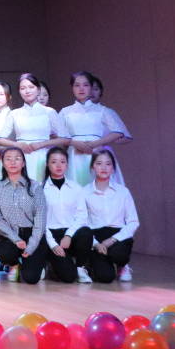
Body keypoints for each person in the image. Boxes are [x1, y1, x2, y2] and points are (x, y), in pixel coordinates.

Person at [59, 72, 131, 187]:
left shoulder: (102, 110)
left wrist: (95, 144)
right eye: (77, 85)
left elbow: (118, 132)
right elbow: (56, 134)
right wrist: (74, 143)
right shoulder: (65, 111)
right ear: (72, 88)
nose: (81, 89)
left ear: (91, 87)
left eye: (85, 85)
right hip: (75, 154)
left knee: (99, 187)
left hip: (97, 153)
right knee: (76, 187)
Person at [0, 146, 49, 283]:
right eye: (8, 159)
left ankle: (38, 263)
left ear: (23, 163)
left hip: (32, 234)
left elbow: (40, 219)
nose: (13, 162)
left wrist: (31, 245)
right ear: (3, 163)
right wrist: (16, 239)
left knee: (31, 278)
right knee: (5, 253)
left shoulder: (35, 187)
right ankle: (14, 264)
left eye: (17, 158)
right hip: (10, 234)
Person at [0, 74, 71, 183]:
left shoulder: (49, 112)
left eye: (31, 87)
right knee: (22, 187)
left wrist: (42, 144)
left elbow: (66, 139)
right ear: (19, 91)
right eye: (23, 88)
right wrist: (17, 145)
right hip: (21, 157)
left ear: (38, 89)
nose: (27, 91)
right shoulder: (14, 113)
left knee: (42, 187)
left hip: (43, 156)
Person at [83, 150, 139, 283]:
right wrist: (96, 244)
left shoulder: (123, 192)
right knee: (105, 277)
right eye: (99, 163)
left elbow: (133, 222)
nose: (103, 167)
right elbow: (82, 222)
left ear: (113, 168)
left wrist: (112, 240)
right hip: (96, 236)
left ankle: (122, 265)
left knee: (118, 254)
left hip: (118, 235)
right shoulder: (84, 192)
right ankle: (93, 263)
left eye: (108, 164)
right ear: (92, 167)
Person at [42, 147, 93, 283]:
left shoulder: (76, 188)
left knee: (86, 232)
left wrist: (69, 235)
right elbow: (39, 221)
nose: (59, 165)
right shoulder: (40, 189)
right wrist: (53, 244)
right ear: (47, 164)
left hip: (71, 234)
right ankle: (50, 263)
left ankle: (81, 268)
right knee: (68, 277)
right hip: (51, 235)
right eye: (54, 162)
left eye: (62, 162)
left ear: (67, 164)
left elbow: (82, 216)